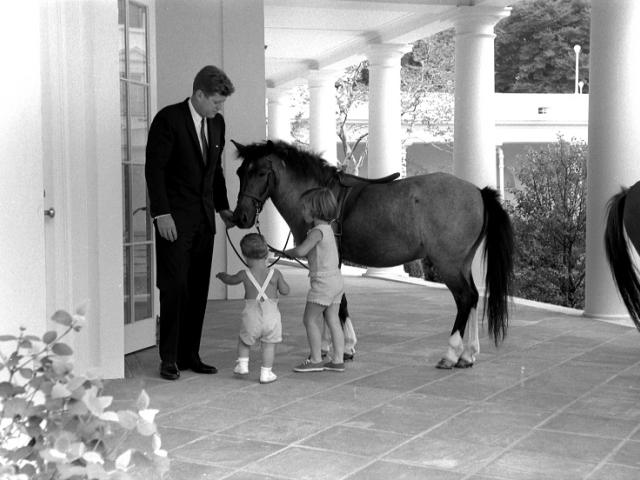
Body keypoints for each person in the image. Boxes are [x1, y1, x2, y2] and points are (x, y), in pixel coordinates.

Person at [145, 65, 236, 380]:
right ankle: (168, 357)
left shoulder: (217, 124)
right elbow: (154, 170)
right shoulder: (168, 120)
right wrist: (161, 213)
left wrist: (223, 208)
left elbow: (215, 171)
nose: (219, 108)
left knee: (197, 288)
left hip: (203, 222)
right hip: (173, 220)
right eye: (216, 101)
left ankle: (190, 355)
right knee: (175, 287)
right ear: (199, 94)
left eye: (221, 103)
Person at [283, 187, 346, 372]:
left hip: (323, 283)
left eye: (304, 208)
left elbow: (302, 251)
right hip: (336, 281)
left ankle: (316, 359)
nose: (302, 212)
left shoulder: (316, 231)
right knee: (333, 319)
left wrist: (288, 252)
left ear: (315, 210)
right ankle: (338, 360)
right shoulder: (329, 230)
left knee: (309, 319)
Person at [216, 233, 290, 384]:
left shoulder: (244, 274)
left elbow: (230, 280)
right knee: (269, 345)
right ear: (267, 253)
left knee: (244, 341)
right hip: (272, 318)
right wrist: (281, 284)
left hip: (251, 316)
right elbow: (285, 290)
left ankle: (242, 365)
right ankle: (266, 373)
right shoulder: (275, 273)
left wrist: (223, 276)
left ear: (245, 256)